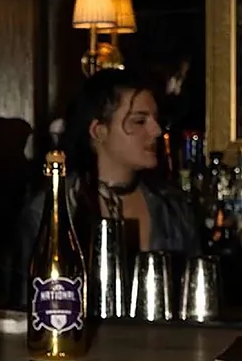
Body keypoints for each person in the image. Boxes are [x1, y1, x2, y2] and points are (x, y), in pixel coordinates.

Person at [14, 68, 201, 302]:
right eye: (139, 121)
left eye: (156, 120)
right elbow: (30, 302)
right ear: (98, 131)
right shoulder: (52, 208)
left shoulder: (172, 207)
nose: (156, 130)